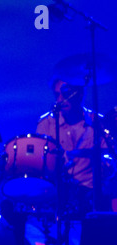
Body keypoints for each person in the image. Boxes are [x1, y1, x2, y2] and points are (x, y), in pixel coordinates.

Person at [36, 78, 111, 217]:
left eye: (64, 94)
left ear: (79, 94)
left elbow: (109, 159)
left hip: (93, 194)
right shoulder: (46, 125)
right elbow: (42, 165)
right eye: (56, 95)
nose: (59, 100)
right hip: (59, 195)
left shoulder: (98, 122)